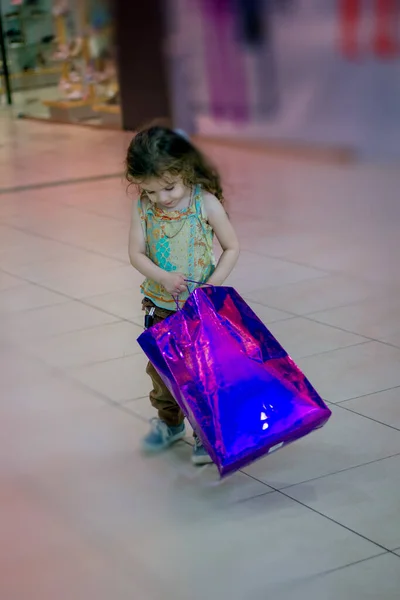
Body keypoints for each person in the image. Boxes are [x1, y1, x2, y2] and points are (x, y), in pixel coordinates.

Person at [126, 126, 240, 465]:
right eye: (151, 190)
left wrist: (211, 285)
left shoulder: (205, 203)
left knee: (202, 372)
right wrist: (161, 276)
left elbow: (232, 247)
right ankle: (170, 422)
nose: (162, 198)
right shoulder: (143, 208)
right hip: (160, 309)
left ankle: (206, 432)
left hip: (200, 310)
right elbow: (136, 254)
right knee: (163, 373)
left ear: (185, 169)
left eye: (169, 187)